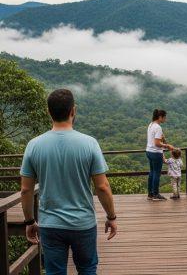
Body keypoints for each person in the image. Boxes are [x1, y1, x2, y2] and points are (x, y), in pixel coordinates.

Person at [20, 89, 117, 275]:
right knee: (87, 269)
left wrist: (30, 221)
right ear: (73, 111)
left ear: (49, 112)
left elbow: (26, 190)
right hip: (83, 223)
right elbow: (102, 187)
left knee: (54, 272)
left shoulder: (33, 145)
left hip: (50, 223)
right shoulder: (90, 143)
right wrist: (111, 217)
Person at [146, 109, 173, 201]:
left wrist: (163, 137)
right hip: (156, 152)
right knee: (156, 174)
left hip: (149, 151)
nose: (165, 119)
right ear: (160, 117)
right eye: (164, 117)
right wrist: (167, 146)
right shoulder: (158, 127)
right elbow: (157, 143)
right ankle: (156, 194)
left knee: (152, 172)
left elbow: (158, 137)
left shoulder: (151, 125)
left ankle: (150, 194)